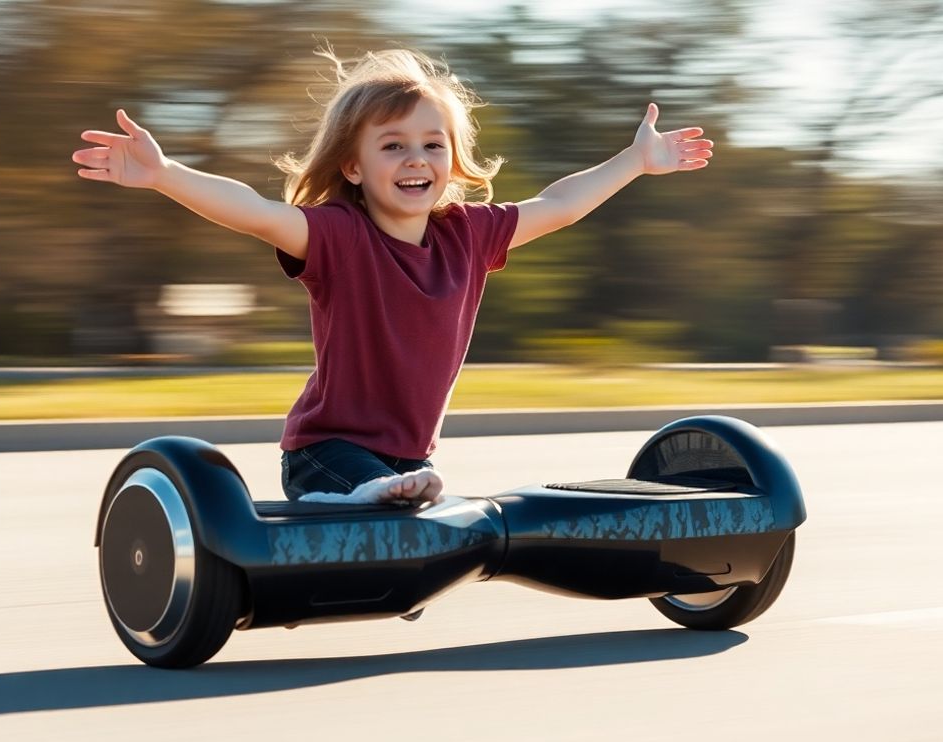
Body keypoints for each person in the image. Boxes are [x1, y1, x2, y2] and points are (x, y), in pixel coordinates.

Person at [72, 48, 712, 506]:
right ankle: (362, 506)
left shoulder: (467, 233)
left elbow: (558, 205)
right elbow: (256, 212)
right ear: (353, 167)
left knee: (410, 489)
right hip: (328, 451)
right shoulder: (339, 236)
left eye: (433, 145)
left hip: (411, 456)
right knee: (382, 488)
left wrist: (635, 161)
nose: (416, 159)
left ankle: (390, 516)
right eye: (393, 145)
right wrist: (164, 174)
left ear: (452, 161)